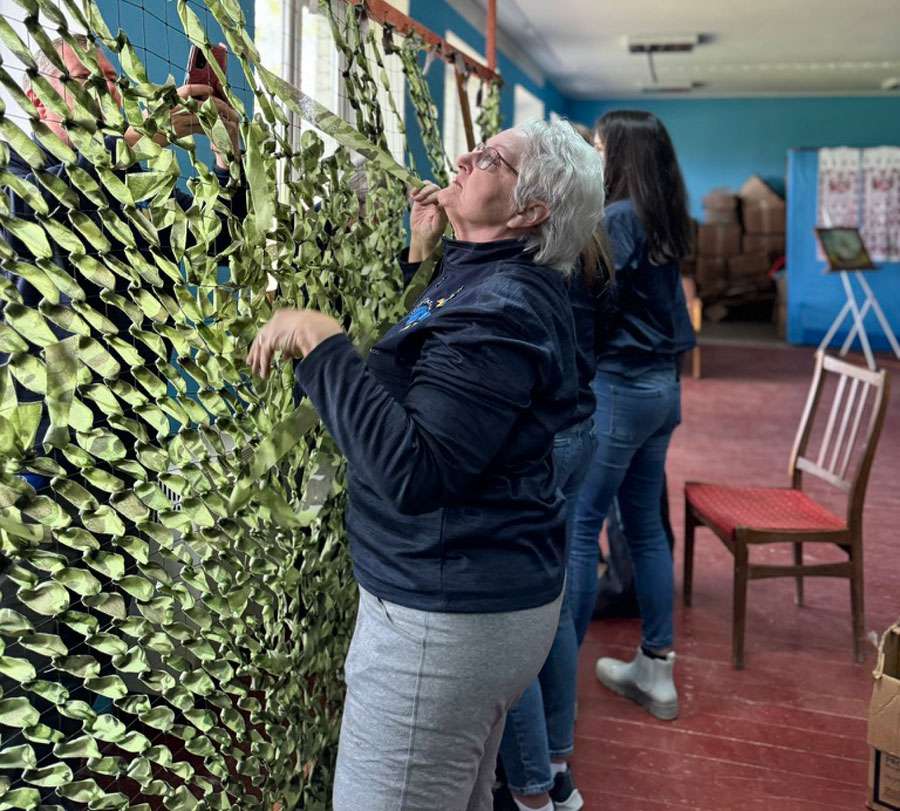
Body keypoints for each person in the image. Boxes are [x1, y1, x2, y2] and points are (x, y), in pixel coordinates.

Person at [246, 120, 606, 811]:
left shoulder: (503, 309)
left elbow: (415, 471)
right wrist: (423, 251)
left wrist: (322, 344)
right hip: (467, 601)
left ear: (532, 211)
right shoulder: (493, 278)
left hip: (444, 620)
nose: (465, 156)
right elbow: (428, 357)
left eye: (492, 158)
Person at [1, 34, 244, 488]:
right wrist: (133, 146)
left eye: (110, 81)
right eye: (81, 80)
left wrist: (227, 155)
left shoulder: (134, 185)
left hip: (130, 441)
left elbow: (216, 241)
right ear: (36, 96)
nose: (103, 92)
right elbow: (51, 216)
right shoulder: (12, 179)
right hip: (35, 454)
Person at [568, 110, 695, 721]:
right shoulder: (665, 217)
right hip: (662, 390)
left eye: (597, 145)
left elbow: (591, 303)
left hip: (619, 390)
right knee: (643, 528)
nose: (593, 153)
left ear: (619, 155)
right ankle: (657, 669)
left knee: (580, 525)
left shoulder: (617, 219)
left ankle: (556, 672)